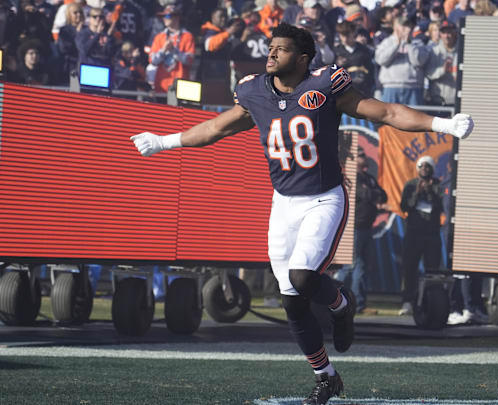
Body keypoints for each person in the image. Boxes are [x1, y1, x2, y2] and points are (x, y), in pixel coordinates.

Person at [131, 22, 473, 405]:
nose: (271, 54)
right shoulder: (254, 90)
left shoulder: (324, 86)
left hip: (324, 198)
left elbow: (387, 111)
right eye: (271, 47)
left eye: (282, 49)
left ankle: (343, 305)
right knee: (291, 298)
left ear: (304, 58)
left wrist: (442, 124)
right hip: (284, 203)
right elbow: (216, 128)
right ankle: (326, 377)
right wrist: (163, 141)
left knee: (303, 275)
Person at [334, 150, 387, 315]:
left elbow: (382, 195)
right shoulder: (352, 176)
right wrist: (373, 195)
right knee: (352, 266)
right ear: (355, 160)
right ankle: (334, 298)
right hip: (354, 227)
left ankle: (358, 304)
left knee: (361, 266)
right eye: (362, 155)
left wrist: (374, 195)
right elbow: (364, 194)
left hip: (366, 227)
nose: (365, 158)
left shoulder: (368, 178)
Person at [398, 155, 446, 316]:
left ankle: (429, 301)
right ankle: (407, 301)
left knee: (432, 269)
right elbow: (405, 206)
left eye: (427, 166)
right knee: (409, 268)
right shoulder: (411, 185)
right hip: (414, 233)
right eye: (421, 166)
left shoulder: (438, 184)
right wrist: (417, 193)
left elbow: (441, 206)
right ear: (417, 169)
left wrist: (431, 191)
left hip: (431, 234)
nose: (424, 169)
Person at [374, 15, 428, 105]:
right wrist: (396, 45)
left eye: (408, 25)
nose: (406, 29)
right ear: (395, 27)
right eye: (403, 25)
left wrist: (409, 44)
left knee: (412, 119)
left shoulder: (418, 43)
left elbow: (418, 61)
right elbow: (381, 60)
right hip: (390, 87)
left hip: (413, 88)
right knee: (388, 118)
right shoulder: (386, 42)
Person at [147, 2, 194, 92]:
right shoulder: (159, 37)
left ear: (176, 17)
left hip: (180, 86)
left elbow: (189, 60)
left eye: (167, 16)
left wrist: (174, 50)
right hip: (161, 85)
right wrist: (163, 50)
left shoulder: (187, 36)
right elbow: (152, 60)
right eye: (163, 16)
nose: (164, 19)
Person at [424, 20, 457, 106]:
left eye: (449, 32)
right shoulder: (434, 51)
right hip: (438, 100)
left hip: (456, 100)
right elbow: (428, 73)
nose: (447, 36)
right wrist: (442, 70)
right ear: (440, 34)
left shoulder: (461, 53)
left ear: (455, 33)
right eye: (444, 33)